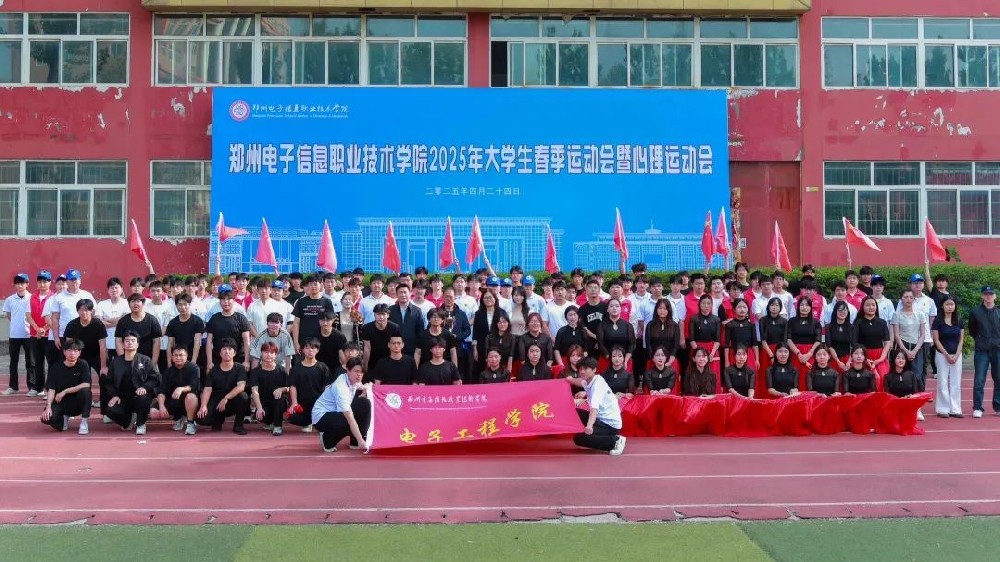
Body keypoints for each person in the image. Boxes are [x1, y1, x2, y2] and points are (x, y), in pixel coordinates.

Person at [104, 331, 161, 435]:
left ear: (137, 344)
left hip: (140, 396)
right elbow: (109, 382)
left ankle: (141, 424)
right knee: (110, 409)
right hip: (122, 398)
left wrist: (145, 387)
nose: (130, 343)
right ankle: (128, 421)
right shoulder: (116, 362)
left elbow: (155, 378)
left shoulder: (145, 360)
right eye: (127, 341)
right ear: (123, 344)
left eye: (133, 341)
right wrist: (114, 395)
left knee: (142, 398)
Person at [312, 357, 371, 453]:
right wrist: (361, 440)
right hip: (321, 417)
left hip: (336, 412)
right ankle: (327, 440)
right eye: (356, 371)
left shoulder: (352, 379)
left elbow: (360, 385)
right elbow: (350, 419)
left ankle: (355, 442)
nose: (359, 375)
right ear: (348, 371)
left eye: (362, 372)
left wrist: (367, 387)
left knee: (364, 403)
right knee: (346, 421)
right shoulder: (341, 388)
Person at [573, 356, 626, 455]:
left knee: (579, 438)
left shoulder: (598, 385)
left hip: (610, 425)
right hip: (600, 419)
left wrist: (589, 426)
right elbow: (579, 382)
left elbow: (594, 409)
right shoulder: (589, 380)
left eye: (585, 369)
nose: (582, 371)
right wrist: (568, 379)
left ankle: (615, 441)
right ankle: (604, 437)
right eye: (580, 369)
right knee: (575, 412)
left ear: (594, 369)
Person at [197, 337, 251, 434]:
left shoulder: (240, 368)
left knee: (244, 397)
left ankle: (238, 425)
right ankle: (218, 418)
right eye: (224, 349)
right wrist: (203, 406)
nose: (227, 352)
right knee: (202, 419)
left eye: (230, 349)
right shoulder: (213, 370)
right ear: (220, 353)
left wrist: (226, 397)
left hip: (232, 399)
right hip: (217, 400)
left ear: (234, 353)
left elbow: (241, 387)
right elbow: (207, 389)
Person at [40, 338, 93, 434]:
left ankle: (84, 422)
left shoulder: (83, 364)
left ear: (79, 353)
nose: (72, 353)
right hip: (61, 402)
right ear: (64, 352)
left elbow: (86, 384)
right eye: (69, 350)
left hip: (77, 402)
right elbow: (51, 388)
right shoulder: (56, 367)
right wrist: (48, 406)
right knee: (46, 418)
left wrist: (65, 391)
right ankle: (63, 419)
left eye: (75, 351)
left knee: (86, 392)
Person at [287, 338, 334, 431]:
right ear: (302, 350)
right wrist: (294, 403)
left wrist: (326, 403)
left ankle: (314, 422)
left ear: (317, 350)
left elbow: (328, 386)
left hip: (318, 403)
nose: (310, 350)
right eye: (307, 348)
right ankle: (308, 422)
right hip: (302, 403)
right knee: (292, 417)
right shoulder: (296, 368)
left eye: (313, 348)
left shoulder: (322, 367)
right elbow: (292, 386)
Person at [969, 286, 1000, 418]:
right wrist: (981, 340)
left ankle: (998, 406)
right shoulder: (975, 312)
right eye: (986, 294)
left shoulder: (999, 312)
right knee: (979, 380)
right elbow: (972, 330)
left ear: (995, 296)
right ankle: (977, 407)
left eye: (991, 294)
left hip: (997, 350)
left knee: (999, 379)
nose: (988, 296)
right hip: (982, 350)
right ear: (982, 296)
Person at [204, 285, 252, 373]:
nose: (226, 302)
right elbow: (209, 341)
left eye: (229, 299)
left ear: (233, 300)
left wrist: (246, 360)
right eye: (223, 299)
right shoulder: (214, 319)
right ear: (219, 301)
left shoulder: (241, 318)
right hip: (218, 358)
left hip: (238, 358)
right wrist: (209, 362)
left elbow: (246, 341)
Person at [931, 295, 965, 418]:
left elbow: (961, 339)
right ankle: (943, 409)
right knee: (942, 381)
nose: (950, 307)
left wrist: (956, 355)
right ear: (942, 306)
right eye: (947, 304)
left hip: (957, 355)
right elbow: (936, 340)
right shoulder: (937, 321)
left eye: (952, 304)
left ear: (955, 306)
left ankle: (956, 409)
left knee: (956, 382)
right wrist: (946, 354)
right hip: (941, 355)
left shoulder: (959, 321)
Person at [155, 347, 201, 436]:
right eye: (175, 355)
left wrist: (181, 389)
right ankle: (178, 418)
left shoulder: (194, 368)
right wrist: (161, 406)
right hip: (174, 401)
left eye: (181, 355)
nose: (178, 357)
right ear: (172, 357)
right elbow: (162, 391)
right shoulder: (168, 371)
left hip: (190, 401)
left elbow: (194, 385)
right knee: (154, 413)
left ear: (186, 356)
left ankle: (190, 423)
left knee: (190, 397)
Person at [249, 341, 289, 436]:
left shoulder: (282, 371)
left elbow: (289, 387)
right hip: (264, 403)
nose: (269, 355)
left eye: (272, 352)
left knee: (280, 399)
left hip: (278, 402)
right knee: (261, 417)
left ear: (276, 355)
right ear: (261, 353)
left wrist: (281, 389)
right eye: (266, 352)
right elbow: (254, 391)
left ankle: (277, 426)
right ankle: (270, 422)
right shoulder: (255, 372)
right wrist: (259, 407)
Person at [3, 273, 33, 395]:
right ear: (14, 285)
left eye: (22, 283)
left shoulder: (32, 298)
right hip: (14, 335)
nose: (20, 286)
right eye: (17, 283)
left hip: (29, 335)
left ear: (27, 284)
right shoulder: (10, 299)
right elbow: (9, 315)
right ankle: (13, 386)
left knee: (30, 362)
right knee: (13, 362)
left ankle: (32, 387)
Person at [892, 289, 929, 390]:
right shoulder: (897, 314)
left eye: (911, 297)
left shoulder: (920, 314)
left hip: (917, 347)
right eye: (906, 297)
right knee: (902, 374)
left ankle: (917, 396)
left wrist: (914, 351)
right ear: (901, 299)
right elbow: (896, 335)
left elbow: (922, 335)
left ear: (914, 299)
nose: (908, 299)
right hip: (902, 347)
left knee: (917, 375)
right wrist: (905, 351)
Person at [291, 275, 336, 354]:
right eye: (310, 284)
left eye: (315, 284)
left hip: (322, 340)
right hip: (304, 340)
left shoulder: (327, 302)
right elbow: (296, 323)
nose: (313, 286)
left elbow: (331, 321)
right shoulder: (301, 302)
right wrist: (295, 342)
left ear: (321, 285)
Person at [854, 296, 893, 387]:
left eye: (873, 305)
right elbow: (855, 342)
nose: (871, 307)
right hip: (863, 356)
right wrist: (864, 358)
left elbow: (887, 342)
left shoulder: (882, 322)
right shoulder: (858, 322)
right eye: (868, 305)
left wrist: (881, 359)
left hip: (879, 356)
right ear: (863, 307)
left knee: (883, 377)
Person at [115, 293, 163, 365]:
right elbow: (118, 341)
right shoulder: (123, 321)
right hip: (128, 359)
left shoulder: (152, 320)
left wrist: (153, 362)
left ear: (143, 304)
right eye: (133, 301)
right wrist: (123, 360)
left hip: (148, 360)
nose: (135, 304)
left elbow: (156, 342)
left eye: (138, 301)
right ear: (129, 304)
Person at [28, 270, 54, 397]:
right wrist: (37, 329)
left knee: (51, 363)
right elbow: (28, 315)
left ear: (50, 282)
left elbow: (54, 316)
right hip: (35, 335)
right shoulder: (32, 297)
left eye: (45, 281)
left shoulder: (54, 297)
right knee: (37, 362)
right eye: (40, 282)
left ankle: (49, 389)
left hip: (49, 335)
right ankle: (38, 388)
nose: (42, 284)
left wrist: (44, 329)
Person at [786, 297, 821, 391]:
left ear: (810, 307)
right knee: (795, 378)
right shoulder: (791, 321)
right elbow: (788, 339)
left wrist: (810, 353)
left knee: (809, 377)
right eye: (802, 305)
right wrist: (798, 353)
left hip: (811, 353)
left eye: (807, 305)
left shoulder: (816, 322)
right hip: (795, 353)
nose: (804, 307)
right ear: (798, 307)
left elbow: (818, 340)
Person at [361, 303, 401, 372]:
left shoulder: (395, 328)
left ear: (388, 315)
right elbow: (367, 348)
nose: (381, 317)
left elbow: (396, 347)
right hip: (373, 359)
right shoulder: (367, 328)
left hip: (389, 359)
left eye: (383, 314)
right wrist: (365, 366)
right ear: (374, 315)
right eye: (378, 314)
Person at [884, 349, 922, 419]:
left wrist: (909, 397)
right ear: (894, 359)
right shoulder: (887, 377)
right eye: (898, 358)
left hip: (908, 403)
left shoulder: (911, 375)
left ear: (906, 361)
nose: (901, 360)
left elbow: (915, 393)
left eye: (903, 358)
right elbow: (887, 395)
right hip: (894, 405)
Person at [388, 284, 424, 355]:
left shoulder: (417, 311)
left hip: (412, 350)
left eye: (405, 292)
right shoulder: (390, 310)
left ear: (410, 293)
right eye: (400, 292)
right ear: (397, 294)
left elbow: (420, 332)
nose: (403, 295)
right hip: (394, 349)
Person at [826, 301, 856, 371]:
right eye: (840, 310)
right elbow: (829, 346)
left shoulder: (851, 327)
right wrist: (838, 361)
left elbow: (853, 346)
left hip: (848, 359)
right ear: (835, 312)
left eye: (844, 310)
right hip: (833, 359)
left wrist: (849, 361)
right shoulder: (829, 327)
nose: (842, 312)